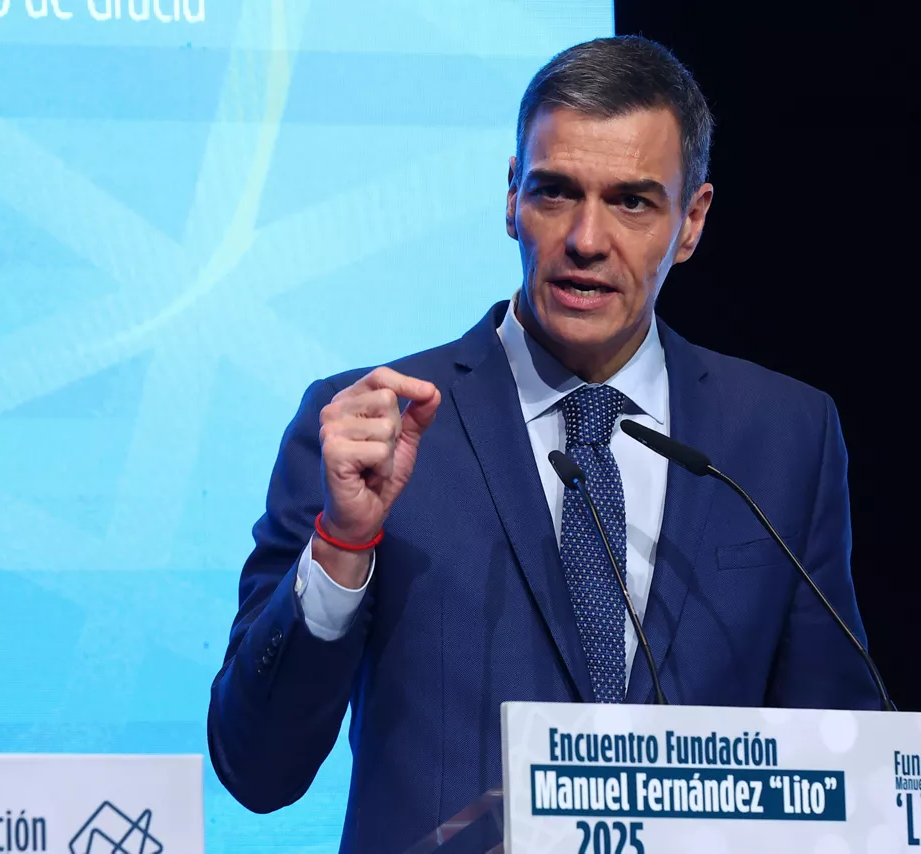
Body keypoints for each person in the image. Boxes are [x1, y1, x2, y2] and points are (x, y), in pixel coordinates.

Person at [207, 34, 879, 854]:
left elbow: (848, 759)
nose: (587, 239)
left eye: (633, 201)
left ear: (693, 219)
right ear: (511, 197)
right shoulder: (369, 428)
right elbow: (256, 768)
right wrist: (343, 543)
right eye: (557, 193)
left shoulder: (782, 434)